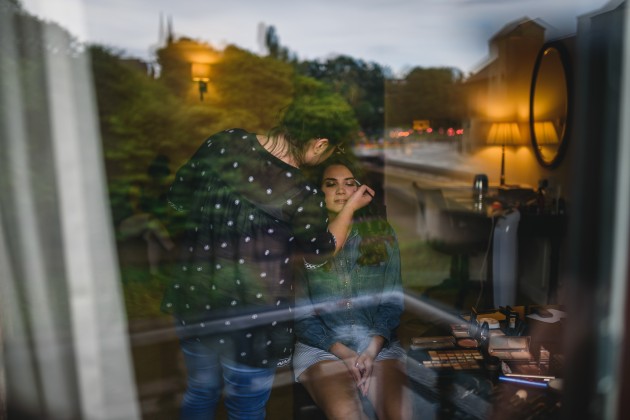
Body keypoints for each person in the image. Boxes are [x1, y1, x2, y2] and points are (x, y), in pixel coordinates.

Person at [161, 100, 374, 419]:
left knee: (201, 390)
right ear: (320, 144)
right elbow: (322, 254)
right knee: (245, 406)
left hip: (196, 300)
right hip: (251, 322)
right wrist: (349, 208)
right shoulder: (301, 193)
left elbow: (176, 203)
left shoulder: (223, 143)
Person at [293, 156, 412, 420]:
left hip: (377, 346)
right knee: (348, 415)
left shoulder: (382, 233)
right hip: (321, 349)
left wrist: (371, 349)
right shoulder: (304, 238)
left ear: (361, 191)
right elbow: (301, 317)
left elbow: (392, 303)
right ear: (318, 192)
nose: (340, 190)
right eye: (331, 184)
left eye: (349, 184)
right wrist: (344, 353)